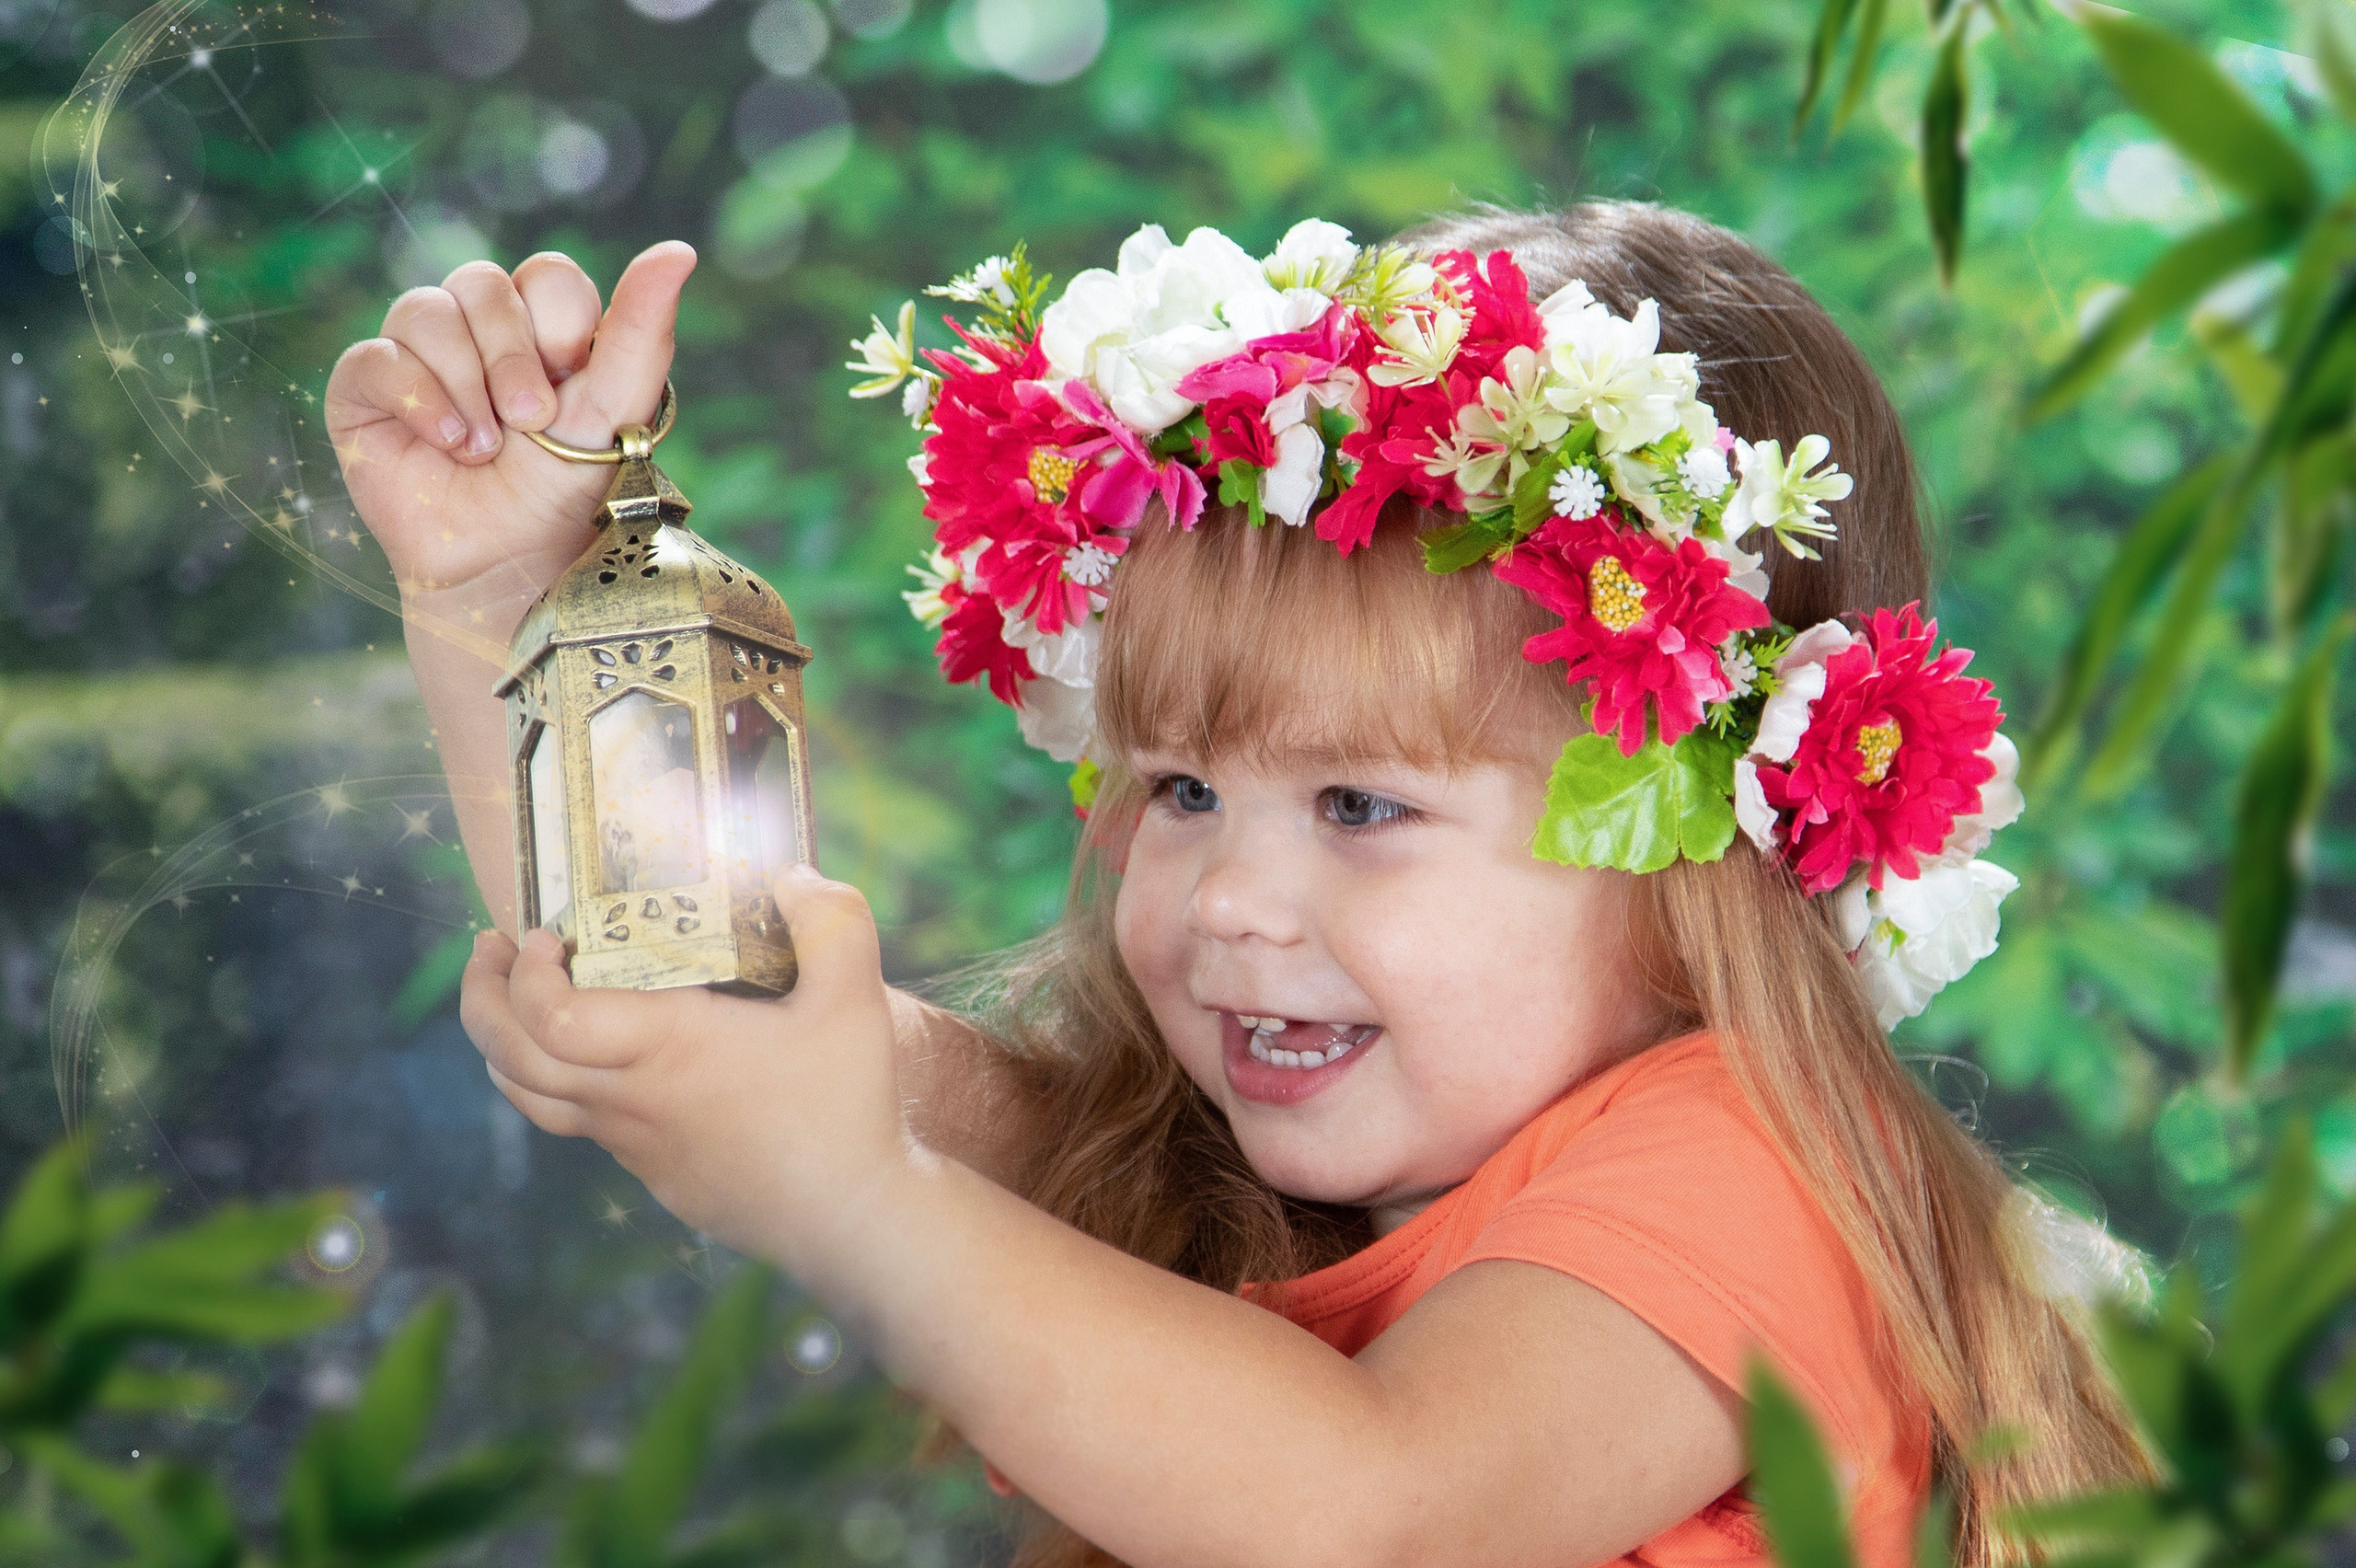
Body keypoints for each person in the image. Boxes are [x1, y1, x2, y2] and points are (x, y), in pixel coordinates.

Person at [329, 202, 2152, 1568]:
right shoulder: (1205, 1184)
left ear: (1704, 855)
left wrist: (856, 1196)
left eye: (1357, 806)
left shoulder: (1759, 1168)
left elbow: (1375, 1509)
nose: (1225, 904)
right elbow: (700, 1005)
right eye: (1186, 786)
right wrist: (510, 600)